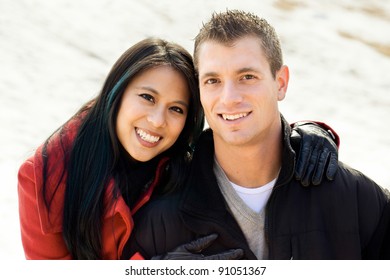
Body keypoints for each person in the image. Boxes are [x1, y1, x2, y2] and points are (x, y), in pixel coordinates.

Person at [18, 37, 338, 260]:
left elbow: (247, 144)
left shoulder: (181, 159)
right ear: (115, 92)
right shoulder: (44, 177)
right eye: (147, 97)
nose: (157, 121)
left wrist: (312, 133)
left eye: (177, 109)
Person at [126, 11, 390, 260]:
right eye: (213, 81)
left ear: (281, 83)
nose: (229, 98)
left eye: (247, 76)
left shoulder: (356, 199)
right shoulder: (159, 220)